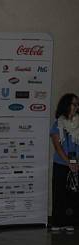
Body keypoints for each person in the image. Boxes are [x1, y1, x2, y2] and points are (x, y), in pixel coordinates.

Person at [50, 93, 79, 232]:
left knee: (72, 194)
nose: (76, 107)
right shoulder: (58, 124)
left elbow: (75, 147)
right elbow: (57, 146)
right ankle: (57, 222)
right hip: (61, 163)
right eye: (74, 104)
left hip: (75, 164)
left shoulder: (78, 124)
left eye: (77, 104)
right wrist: (68, 162)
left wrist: (74, 163)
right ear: (67, 105)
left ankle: (70, 222)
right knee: (59, 193)